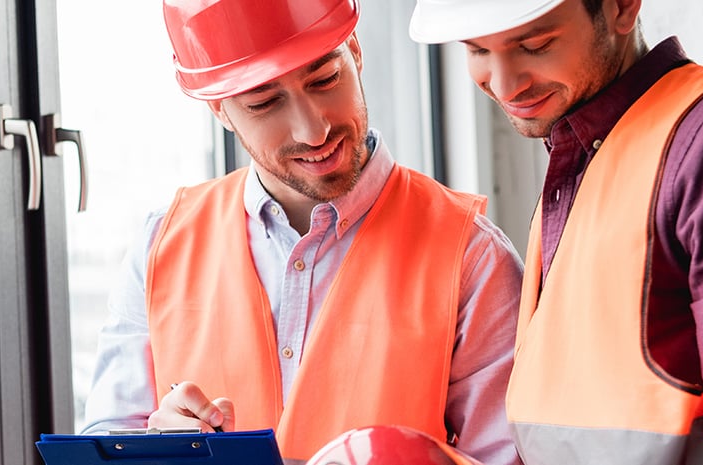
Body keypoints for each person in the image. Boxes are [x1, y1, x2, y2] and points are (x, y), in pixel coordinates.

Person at [409, 0, 703, 464]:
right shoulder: (587, 165)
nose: (506, 84)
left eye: (536, 44)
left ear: (621, 7)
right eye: (477, 52)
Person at [79, 1, 524, 464]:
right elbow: (105, 442)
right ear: (220, 110)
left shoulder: (472, 259)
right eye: (264, 102)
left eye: (325, 79)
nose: (314, 130)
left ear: (354, 50)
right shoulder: (161, 245)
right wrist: (157, 449)